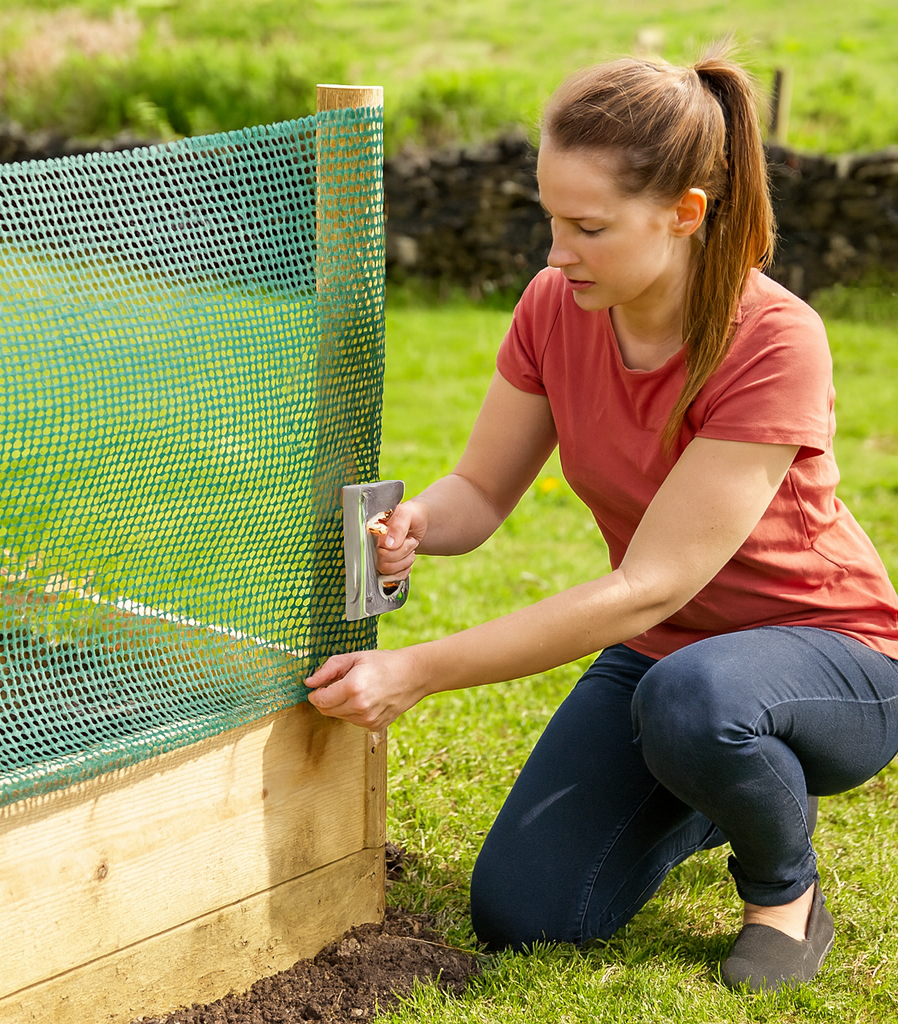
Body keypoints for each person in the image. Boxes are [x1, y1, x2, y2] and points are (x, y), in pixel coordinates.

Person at [304, 44, 898, 992]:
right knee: (529, 913)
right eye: (550, 218)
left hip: (832, 655)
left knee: (697, 704)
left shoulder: (775, 340)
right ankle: (710, 778)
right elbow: (482, 494)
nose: (555, 252)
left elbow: (647, 589)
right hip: (672, 659)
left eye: (587, 226)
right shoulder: (555, 306)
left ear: (685, 213)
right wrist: (417, 523)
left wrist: (414, 672)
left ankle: (783, 889)